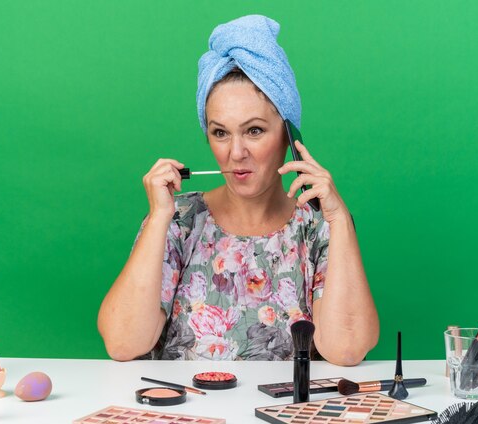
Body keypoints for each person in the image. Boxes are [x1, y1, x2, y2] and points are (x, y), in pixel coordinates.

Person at [98, 15, 378, 365]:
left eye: (255, 131)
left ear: (289, 137)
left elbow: (348, 349)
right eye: (220, 133)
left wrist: (338, 218)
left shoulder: (319, 224)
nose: (236, 152)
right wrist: (158, 218)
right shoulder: (179, 219)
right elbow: (123, 344)